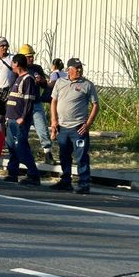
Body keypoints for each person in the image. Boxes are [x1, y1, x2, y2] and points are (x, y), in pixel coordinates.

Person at [50, 58, 100, 194]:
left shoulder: (87, 85)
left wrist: (88, 123)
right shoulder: (60, 82)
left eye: (80, 68)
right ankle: (66, 181)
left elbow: (95, 105)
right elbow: (54, 101)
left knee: (81, 156)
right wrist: (54, 121)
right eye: (76, 68)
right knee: (64, 154)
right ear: (68, 69)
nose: (79, 70)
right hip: (62, 127)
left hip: (78, 127)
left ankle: (84, 183)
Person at [4, 53, 41, 185]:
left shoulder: (27, 79)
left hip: (19, 121)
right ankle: (12, 172)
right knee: (12, 147)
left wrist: (23, 118)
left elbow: (29, 101)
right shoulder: (17, 78)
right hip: (11, 119)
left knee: (21, 147)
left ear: (17, 64)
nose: (12, 66)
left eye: (13, 63)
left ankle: (33, 174)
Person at [19, 44, 54, 165]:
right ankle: (22, 155)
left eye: (32, 56)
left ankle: (48, 153)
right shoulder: (18, 69)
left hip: (35, 103)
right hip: (23, 104)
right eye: (28, 56)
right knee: (22, 131)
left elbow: (45, 85)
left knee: (42, 128)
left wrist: (42, 81)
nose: (31, 59)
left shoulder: (37, 68)